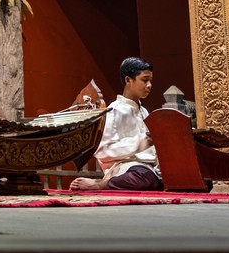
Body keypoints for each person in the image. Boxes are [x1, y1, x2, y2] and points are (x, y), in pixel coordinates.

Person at [70, 56, 163, 191]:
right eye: (144, 80)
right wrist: (140, 142)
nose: (149, 85)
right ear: (128, 80)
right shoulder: (114, 110)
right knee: (142, 178)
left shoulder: (145, 112)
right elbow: (102, 151)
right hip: (126, 166)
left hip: (149, 167)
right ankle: (99, 184)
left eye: (150, 81)